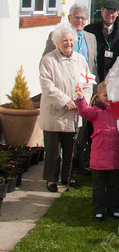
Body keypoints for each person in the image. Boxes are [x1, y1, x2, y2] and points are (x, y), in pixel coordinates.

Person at [39, 24, 93, 192]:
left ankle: (68, 177)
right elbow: (47, 86)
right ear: (57, 43)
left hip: (74, 113)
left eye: (71, 40)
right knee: (53, 151)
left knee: (71, 150)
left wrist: (82, 100)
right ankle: (51, 180)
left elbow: (89, 83)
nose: (68, 43)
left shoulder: (81, 60)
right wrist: (65, 101)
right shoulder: (48, 60)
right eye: (64, 41)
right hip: (55, 113)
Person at [75, 81, 119, 221]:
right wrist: (81, 98)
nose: (108, 98)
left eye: (110, 95)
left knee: (114, 185)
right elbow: (84, 111)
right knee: (99, 186)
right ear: (99, 96)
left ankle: (114, 208)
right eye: (105, 95)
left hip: (114, 156)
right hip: (99, 156)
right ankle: (98, 210)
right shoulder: (96, 111)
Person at [43, 3, 98, 77]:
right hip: (64, 81)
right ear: (69, 18)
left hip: (85, 82)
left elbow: (93, 65)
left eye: (83, 18)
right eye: (76, 17)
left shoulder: (91, 38)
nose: (79, 21)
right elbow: (46, 59)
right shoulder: (57, 35)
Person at [85, 0, 119, 81]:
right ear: (102, 11)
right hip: (94, 76)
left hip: (115, 78)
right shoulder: (90, 30)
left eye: (113, 12)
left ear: (117, 14)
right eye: (107, 11)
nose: (110, 15)